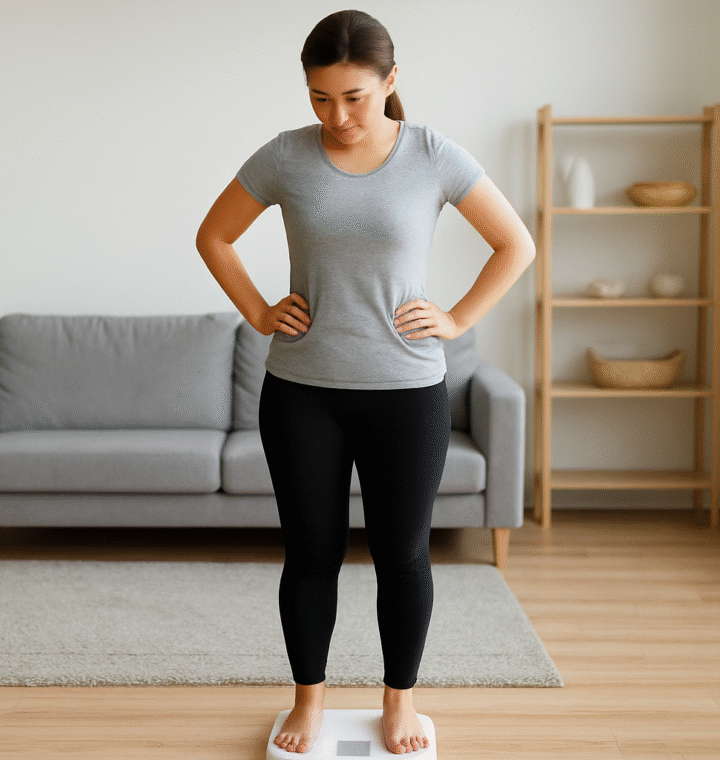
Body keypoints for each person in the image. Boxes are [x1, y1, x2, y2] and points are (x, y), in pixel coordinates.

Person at [196, 9, 535, 755]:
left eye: (353, 96)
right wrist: (257, 310)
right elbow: (213, 236)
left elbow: (516, 244)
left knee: (402, 555)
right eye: (320, 98)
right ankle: (308, 703)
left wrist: (456, 318)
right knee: (311, 555)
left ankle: (398, 701)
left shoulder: (431, 153)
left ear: (389, 82)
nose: (337, 115)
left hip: (408, 394)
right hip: (303, 393)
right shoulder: (285, 157)